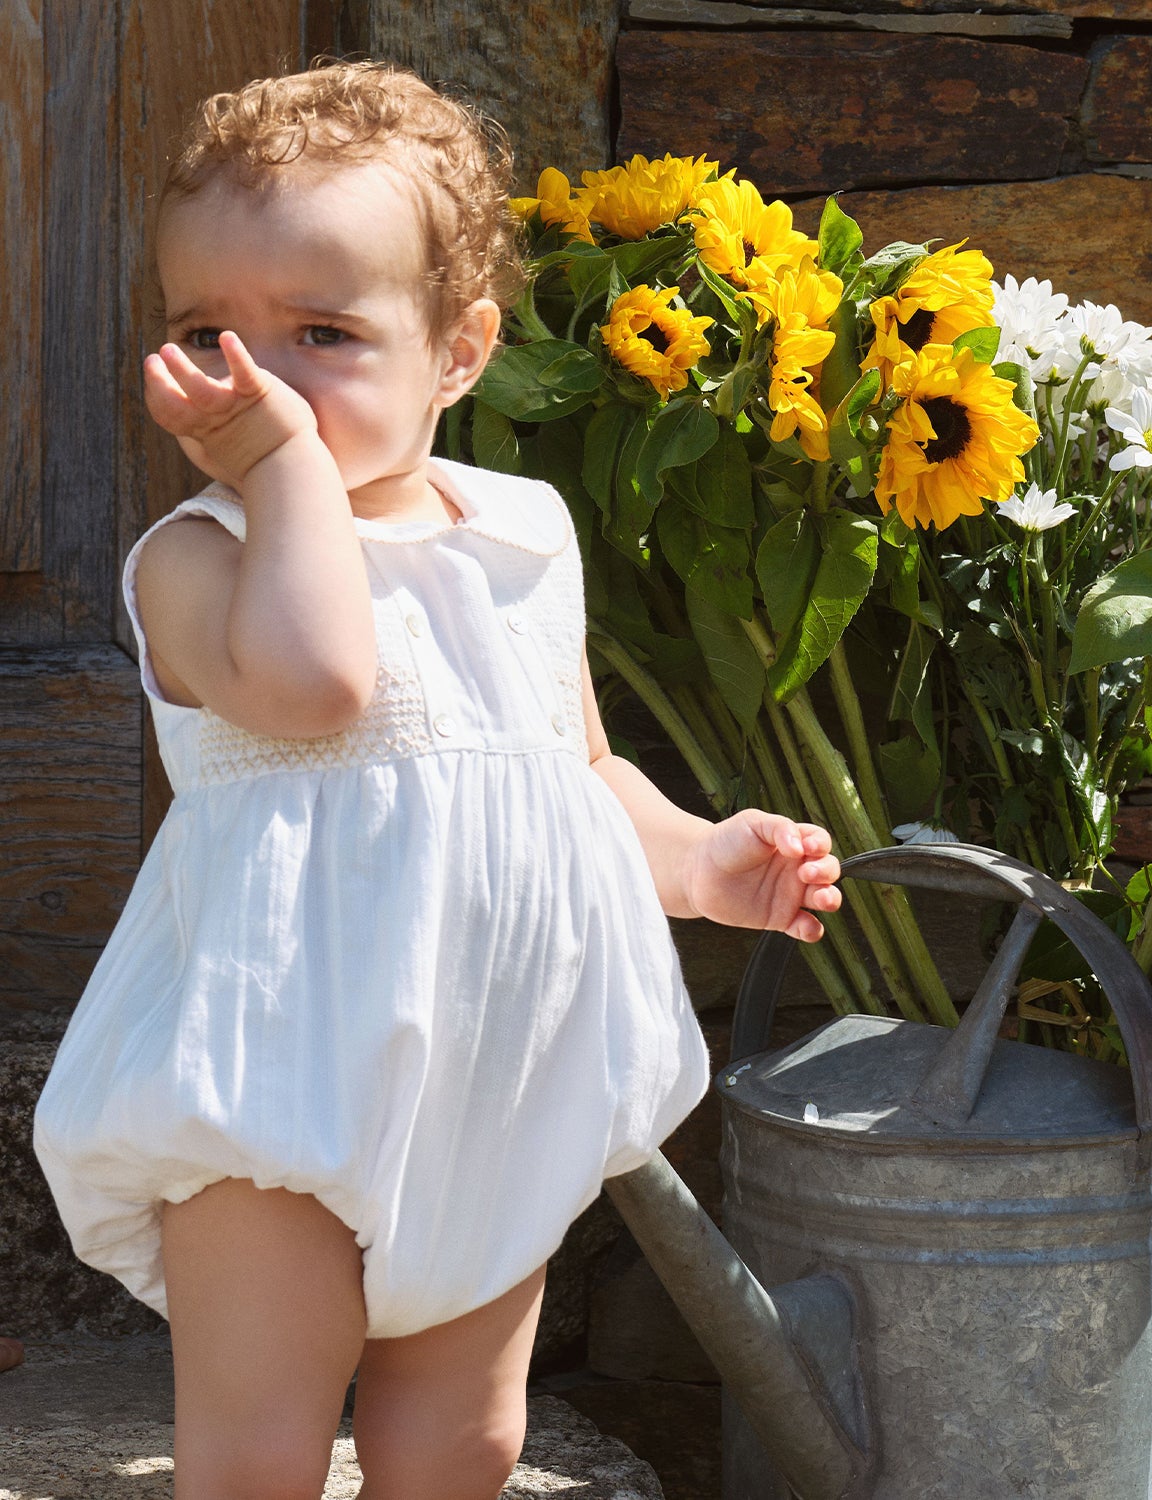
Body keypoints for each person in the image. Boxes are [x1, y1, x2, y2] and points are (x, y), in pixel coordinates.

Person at [32, 61, 841, 1500]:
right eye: (210, 332)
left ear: (458, 352)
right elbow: (316, 682)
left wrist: (703, 862)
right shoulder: (197, 560)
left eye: (323, 333)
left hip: (495, 1082)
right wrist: (283, 470)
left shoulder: (521, 536)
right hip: (274, 1090)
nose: (259, 379)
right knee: (263, 1449)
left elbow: (576, 764)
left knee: (464, 1439)